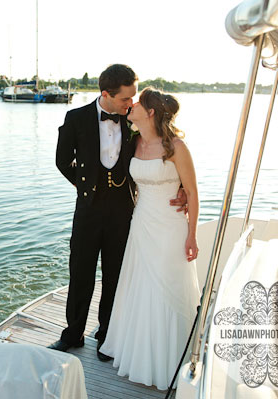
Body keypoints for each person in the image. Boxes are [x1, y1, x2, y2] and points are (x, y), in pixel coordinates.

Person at [50, 65, 186, 362]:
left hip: (124, 210)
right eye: (126, 99)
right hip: (87, 210)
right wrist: (87, 186)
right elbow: (62, 160)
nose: (131, 104)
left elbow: (163, 147)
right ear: (106, 94)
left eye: (133, 98)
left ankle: (106, 335)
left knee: (115, 275)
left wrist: (182, 187)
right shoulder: (76, 118)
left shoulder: (133, 120)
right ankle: (72, 334)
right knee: (81, 272)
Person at [99, 87, 201, 389]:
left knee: (165, 287)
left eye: (137, 103)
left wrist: (192, 234)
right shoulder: (135, 141)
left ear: (151, 112)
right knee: (140, 286)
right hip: (141, 223)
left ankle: (169, 360)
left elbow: (193, 193)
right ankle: (139, 354)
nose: (131, 106)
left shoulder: (176, 147)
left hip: (170, 227)